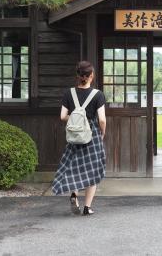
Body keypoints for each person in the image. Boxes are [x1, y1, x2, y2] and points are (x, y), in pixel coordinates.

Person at [52, 61, 106, 216]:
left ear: (78, 76)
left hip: (74, 136)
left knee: (75, 167)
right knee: (93, 170)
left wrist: (77, 118)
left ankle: (74, 194)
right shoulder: (98, 94)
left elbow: (63, 116)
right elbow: (102, 120)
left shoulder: (69, 93)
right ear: (92, 76)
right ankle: (87, 207)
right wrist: (102, 132)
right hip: (92, 136)